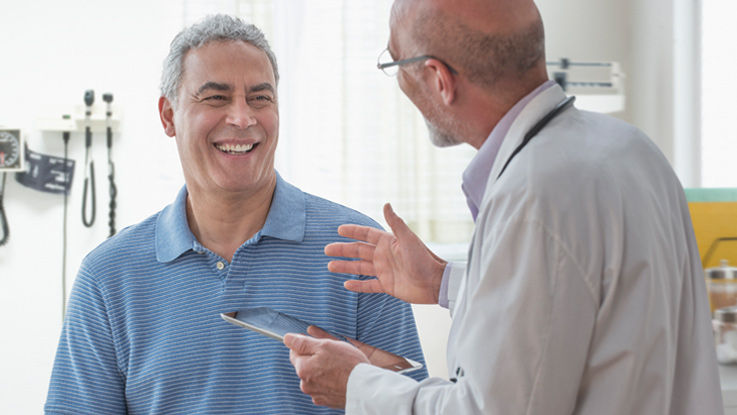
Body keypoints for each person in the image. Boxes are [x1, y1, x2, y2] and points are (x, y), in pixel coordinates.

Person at [284, 0, 724, 413]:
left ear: (440, 79)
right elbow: (577, 308)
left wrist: (357, 384)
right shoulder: (630, 149)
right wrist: (445, 282)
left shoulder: (534, 195)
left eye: (394, 63)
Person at [44, 14, 427, 414]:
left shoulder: (358, 250)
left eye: (260, 98)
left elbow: (409, 405)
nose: (243, 118)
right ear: (168, 116)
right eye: (216, 98)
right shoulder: (108, 276)